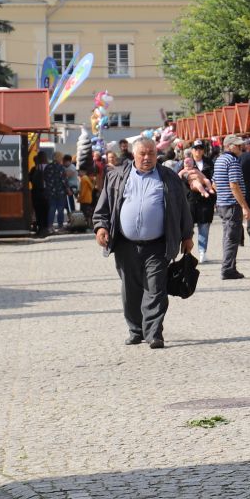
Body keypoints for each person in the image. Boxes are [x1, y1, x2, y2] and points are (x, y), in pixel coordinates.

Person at [92, 135, 194, 349]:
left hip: (158, 244)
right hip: (125, 243)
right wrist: (101, 227)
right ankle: (136, 330)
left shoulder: (169, 178)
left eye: (152, 153)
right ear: (134, 155)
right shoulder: (117, 177)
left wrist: (187, 235)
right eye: (143, 154)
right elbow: (104, 207)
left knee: (156, 288)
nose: (147, 158)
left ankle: (154, 332)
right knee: (130, 289)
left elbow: (182, 208)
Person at [212, 135, 250, 280]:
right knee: (232, 237)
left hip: (222, 203)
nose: (240, 147)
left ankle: (229, 266)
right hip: (232, 204)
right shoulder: (233, 161)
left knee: (227, 236)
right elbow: (234, 185)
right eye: (237, 145)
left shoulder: (219, 160)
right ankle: (228, 269)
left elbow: (214, 183)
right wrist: (245, 206)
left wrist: (222, 194)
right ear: (229, 146)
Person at [181, 141, 216, 263]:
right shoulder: (186, 162)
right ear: (191, 150)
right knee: (188, 227)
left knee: (204, 226)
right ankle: (187, 252)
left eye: (200, 148)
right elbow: (177, 176)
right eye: (196, 148)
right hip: (189, 199)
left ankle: (202, 252)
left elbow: (213, 177)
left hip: (205, 200)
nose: (198, 151)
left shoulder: (209, 162)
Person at [41, 151, 70, 233]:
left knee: (51, 209)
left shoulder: (48, 167)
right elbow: (64, 180)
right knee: (60, 209)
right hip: (60, 192)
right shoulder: (61, 167)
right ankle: (60, 227)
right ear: (59, 158)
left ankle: (50, 226)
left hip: (50, 192)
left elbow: (45, 178)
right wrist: (68, 189)